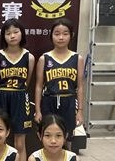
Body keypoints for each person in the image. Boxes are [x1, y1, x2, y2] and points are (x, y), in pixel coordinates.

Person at [0, 18, 35, 161]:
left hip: (20, 97)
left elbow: (28, 81)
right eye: (8, 33)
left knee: (20, 142)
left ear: (22, 33)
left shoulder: (29, 57)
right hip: (2, 96)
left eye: (16, 31)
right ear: (3, 36)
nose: (12, 36)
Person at [34, 18, 84, 147]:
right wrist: (38, 110)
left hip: (69, 101)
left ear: (71, 35)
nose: (61, 37)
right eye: (57, 33)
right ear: (51, 35)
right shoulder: (44, 58)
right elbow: (39, 86)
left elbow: (80, 87)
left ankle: (67, 159)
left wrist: (80, 111)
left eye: (65, 33)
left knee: (67, 138)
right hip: (49, 101)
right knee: (47, 135)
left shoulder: (77, 58)